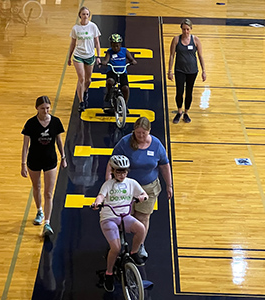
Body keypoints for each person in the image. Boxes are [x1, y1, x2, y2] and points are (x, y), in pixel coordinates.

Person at [107, 117, 172, 259]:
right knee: (121, 216)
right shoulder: (125, 143)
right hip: (126, 188)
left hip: (149, 189)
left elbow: (164, 165)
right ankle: (116, 243)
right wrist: (108, 183)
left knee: (142, 217)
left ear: (149, 131)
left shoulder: (156, 145)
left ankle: (139, 245)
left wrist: (169, 185)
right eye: (138, 133)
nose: (141, 136)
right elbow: (111, 162)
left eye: (144, 133)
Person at [92, 155, 148, 292]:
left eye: (124, 172)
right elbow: (101, 195)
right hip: (109, 218)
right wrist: (97, 202)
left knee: (141, 229)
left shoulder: (131, 183)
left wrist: (143, 197)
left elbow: (143, 193)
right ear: (113, 171)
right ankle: (109, 273)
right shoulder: (108, 184)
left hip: (124, 216)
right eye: (118, 172)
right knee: (116, 248)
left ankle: (134, 252)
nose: (122, 175)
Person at [21, 96, 67, 236]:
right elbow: (25, 146)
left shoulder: (55, 122)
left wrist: (63, 157)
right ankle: (39, 210)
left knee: (48, 192)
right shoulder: (30, 123)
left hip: (50, 160)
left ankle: (47, 222)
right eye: (42, 108)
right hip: (34, 160)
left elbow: (59, 141)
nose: (45, 111)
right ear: (37, 108)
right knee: (37, 187)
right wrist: (23, 164)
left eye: (47, 108)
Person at [167, 18, 206, 124]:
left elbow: (200, 56)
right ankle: (179, 111)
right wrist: (169, 70)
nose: (186, 32)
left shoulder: (196, 40)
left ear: (191, 29)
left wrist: (204, 71)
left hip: (192, 71)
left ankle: (186, 112)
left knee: (189, 92)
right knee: (179, 92)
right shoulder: (176, 39)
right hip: (179, 70)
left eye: (188, 29)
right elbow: (171, 55)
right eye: (184, 29)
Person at [68, 6, 101, 113]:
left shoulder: (93, 27)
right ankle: (81, 101)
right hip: (78, 56)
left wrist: (98, 56)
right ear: (80, 15)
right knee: (81, 79)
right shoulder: (75, 28)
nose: (85, 16)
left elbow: (97, 42)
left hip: (90, 55)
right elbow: (73, 43)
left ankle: (85, 91)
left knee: (88, 80)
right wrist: (69, 57)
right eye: (83, 14)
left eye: (87, 14)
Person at [101, 33, 137, 113]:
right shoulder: (109, 52)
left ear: (120, 44)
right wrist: (104, 62)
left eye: (117, 46)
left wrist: (133, 61)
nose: (115, 48)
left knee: (125, 88)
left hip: (122, 72)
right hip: (112, 71)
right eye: (113, 46)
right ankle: (109, 92)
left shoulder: (125, 51)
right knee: (110, 81)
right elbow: (106, 59)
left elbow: (131, 59)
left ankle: (125, 105)